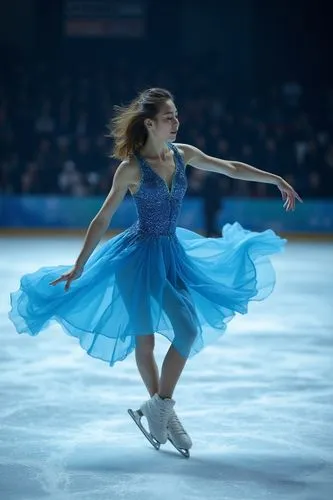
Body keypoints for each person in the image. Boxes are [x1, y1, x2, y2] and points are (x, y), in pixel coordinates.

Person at [9, 88, 302, 454]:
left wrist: (274, 178)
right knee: (144, 340)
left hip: (172, 253)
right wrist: (79, 264)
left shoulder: (184, 155)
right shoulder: (130, 167)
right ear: (150, 123)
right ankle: (163, 410)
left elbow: (229, 167)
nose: (177, 122)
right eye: (169, 117)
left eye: (176, 115)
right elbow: (103, 218)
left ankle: (159, 407)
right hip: (135, 260)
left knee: (187, 328)